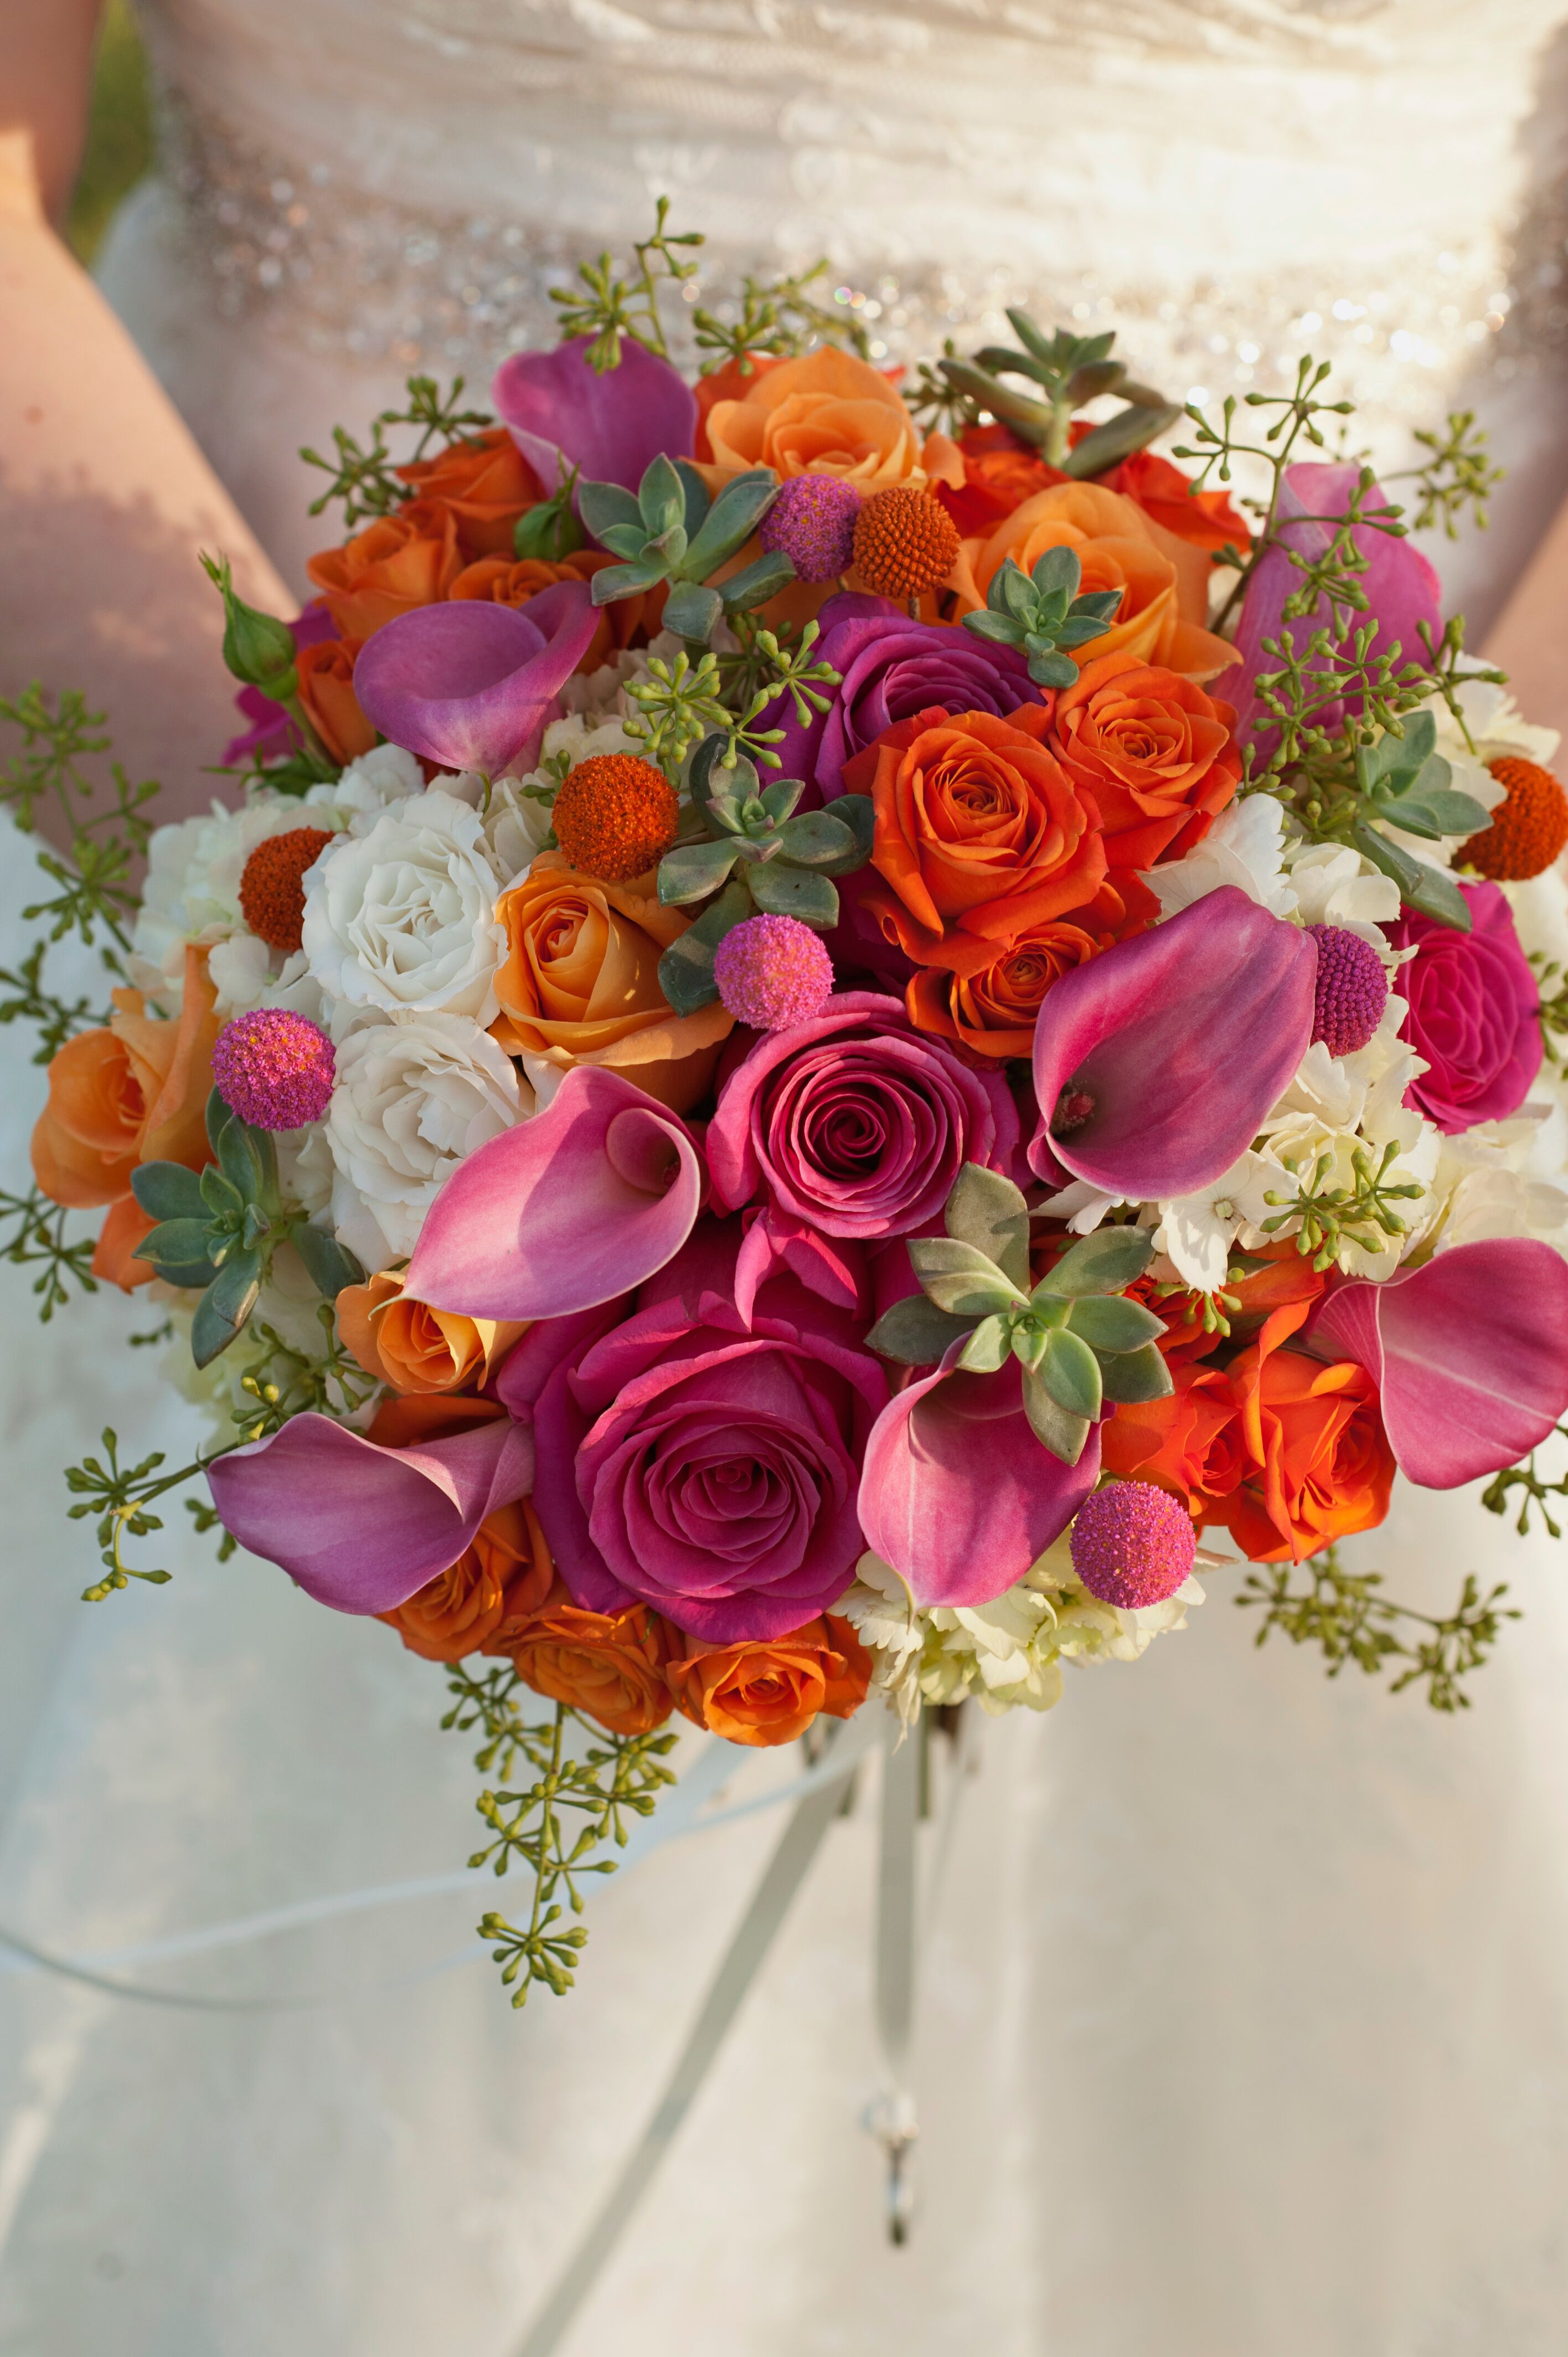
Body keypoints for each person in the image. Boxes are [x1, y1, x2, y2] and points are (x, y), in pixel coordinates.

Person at [4, 8, 1568, 2354]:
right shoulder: (347, 985)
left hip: (1387, 964)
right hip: (259, 819)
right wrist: (341, 973)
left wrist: (1395, 1017)